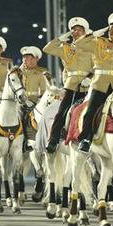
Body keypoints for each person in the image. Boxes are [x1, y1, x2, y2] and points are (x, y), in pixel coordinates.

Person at [77, 12, 113, 154]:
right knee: (91, 110)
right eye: (111, 27)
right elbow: (79, 43)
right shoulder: (98, 42)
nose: (112, 30)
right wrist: (95, 34)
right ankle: (86, 139)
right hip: (100, 85)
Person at [43, 17, 94, 153]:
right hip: (71, 86)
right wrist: (61, 38)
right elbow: (47, 49)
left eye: (79, 29)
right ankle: (53, 140)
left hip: (88, 86)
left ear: (85, 32)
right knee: (62, 112)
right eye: (73, 29)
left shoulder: (93, 47)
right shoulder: (66, 48)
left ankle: (89, 139)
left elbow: (99, 65)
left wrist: (91, 77)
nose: (76, 32)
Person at [19, 45, 48, 152]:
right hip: (20, 102)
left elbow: (45, 91)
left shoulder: (42, 72)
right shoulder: (18, 72)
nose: (26, 60)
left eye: (29, 57)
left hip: (36, 102)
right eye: (24, 57)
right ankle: (23, 142)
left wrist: (39, 101)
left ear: (36, 59)